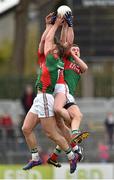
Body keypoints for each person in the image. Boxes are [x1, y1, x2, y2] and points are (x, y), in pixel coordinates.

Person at [22, 14, 77, 174]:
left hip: (45, 97)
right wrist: (48, 26)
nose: (49, 47)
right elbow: (42, 43)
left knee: (51, 133)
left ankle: (71, 155)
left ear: (55, 54)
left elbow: (48, 43)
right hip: (39, 99)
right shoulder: (47, 59)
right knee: (26, 128)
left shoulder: (53, 60)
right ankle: (35, 158)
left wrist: (56, 25)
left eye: (52, 48)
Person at [47, 11, 89, 167]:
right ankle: (75, 140)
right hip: (61, 93)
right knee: (73, 120)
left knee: (69, 125)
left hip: (67, 95)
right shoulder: (66, 59)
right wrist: (65, 25)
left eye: (78, 50)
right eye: (74, 50)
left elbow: (85, 67)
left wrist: (75, 54)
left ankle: (57, 154)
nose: (75, 51)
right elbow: (66, 41)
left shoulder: (79, 65)